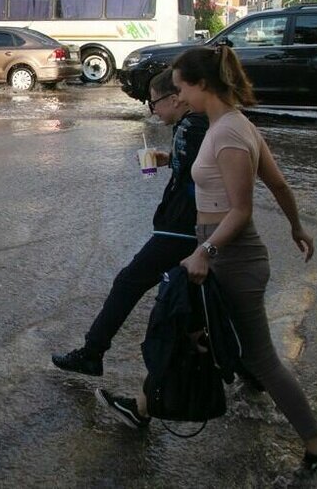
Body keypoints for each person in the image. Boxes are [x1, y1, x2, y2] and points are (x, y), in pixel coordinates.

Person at [98, 46, 317, 476]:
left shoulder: (228, 133)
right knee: (181, 330)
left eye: (181, 89)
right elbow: (280, 183)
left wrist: (204, 252)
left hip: (229, 256)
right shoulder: (231, 124)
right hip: (222, 252)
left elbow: (241, 209)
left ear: (202, 85)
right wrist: (296, 227)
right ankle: (141, 407)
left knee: (261, 359)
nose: (178, 98)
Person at [51, 68, 207, 375]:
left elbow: (203, 182)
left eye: (154, 102)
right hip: (188, 228)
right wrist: (169, 161)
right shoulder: (193, 126)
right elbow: (194, 172)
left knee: (129, 282)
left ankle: (92, 352)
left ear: (176, 99)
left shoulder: (192, 127)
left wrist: (204, 242)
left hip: (180, 229)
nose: (152, 110)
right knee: (202, 300)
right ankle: (247, 367)